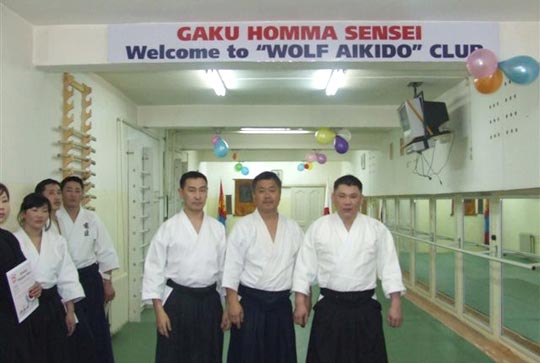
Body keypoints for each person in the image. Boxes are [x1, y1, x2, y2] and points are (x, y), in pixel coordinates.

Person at [293, 174, 405, 363]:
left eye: (353, 196)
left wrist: (395, 303)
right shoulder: (319, 227)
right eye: (342, 196)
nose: (347, 202)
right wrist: (300, 302)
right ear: (334, 198)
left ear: (361, 199)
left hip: (365, 307)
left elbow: (390, 267)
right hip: (329, 306)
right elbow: (304, 267)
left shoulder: (376, 229)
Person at [142, 171, 228, 363]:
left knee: (209, 354)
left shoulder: (217, 228)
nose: (197, 196)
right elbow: (154, 269)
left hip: (209, 301)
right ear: (181, 192)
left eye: (202, 190)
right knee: (174, 355)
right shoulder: (168, 228)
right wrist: (158, 310)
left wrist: (227, 305)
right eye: (191, 190)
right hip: (177, 301)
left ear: (207, 193)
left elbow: (225, 270)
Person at [222, 171, 304, 363]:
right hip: (250, 303)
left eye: (272, 190)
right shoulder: (243, 227)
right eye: (261, 191)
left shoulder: (293, 228)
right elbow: (232, 267)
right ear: (254, 195)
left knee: (280, 355)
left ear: (280, 194)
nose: (267, 196)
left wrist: (302, 301)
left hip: (281, 304)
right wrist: (232, 302)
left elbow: (302, 268)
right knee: (247, 355)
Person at [14, 193, 85, 363]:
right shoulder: (13, 241)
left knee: (56, 352)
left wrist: (70, 312)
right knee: (30, 353)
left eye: (44, 211)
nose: (40, 215)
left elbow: (66, 277)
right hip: (24, 305)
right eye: (34, 210)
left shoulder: (57, 241)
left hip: (52, 303)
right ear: (24, 213)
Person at [56, 175, 119, 363]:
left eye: (77, 191)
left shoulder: (91, 218)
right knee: (71, 327)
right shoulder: (54, 218)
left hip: (89, 276)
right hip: (64, 278)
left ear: (82, 194)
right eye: (68, 190)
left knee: (96, 325)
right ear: (62, 193)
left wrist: (107, 282)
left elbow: (105, 250)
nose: (73, 195)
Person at [35, 178, 98, 363]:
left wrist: (70, 306)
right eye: (51, 193)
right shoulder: (41, 227)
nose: (56, 197)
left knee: (80, 339)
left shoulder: (55, 221)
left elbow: (65, 269)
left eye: (57, 192)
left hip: (64, 290)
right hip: (42, 296)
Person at [0, 183, 42, 363]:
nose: (1, 207)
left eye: (4, 200)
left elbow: (24, 272)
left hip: (13, 318)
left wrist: (34, 287)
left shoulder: (8, 238)